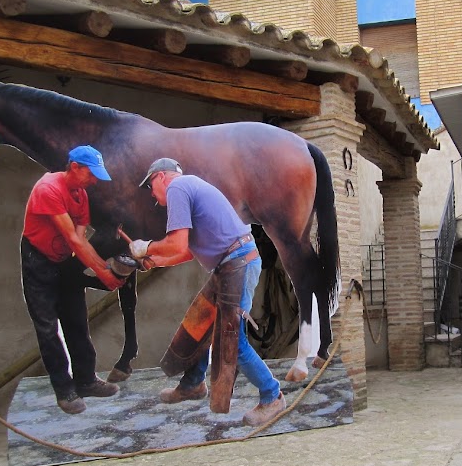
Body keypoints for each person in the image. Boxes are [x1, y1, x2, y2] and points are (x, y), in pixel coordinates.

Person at [131, 158, 285, 426]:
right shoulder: (192, 188)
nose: (153, 195)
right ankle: (192, 384)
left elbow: (176, 245)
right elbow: (184, 252)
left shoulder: (177, 188)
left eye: (150, 185)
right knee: (200, 323)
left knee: (232, 341)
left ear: (162, 177)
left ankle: (272, 396)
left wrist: (147, 247)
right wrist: (153, 260)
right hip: (232, 262)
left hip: (237, 263)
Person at [21, 145, 124, 414]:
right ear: (75, 167)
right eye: (91, 175)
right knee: (47, 328)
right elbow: (75, 239)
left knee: (77, 321)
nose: (94, 181)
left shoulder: (80, 195)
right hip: (38, 261)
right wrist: (103, 272)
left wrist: (104, 269)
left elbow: (80, 237)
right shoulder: (48, 189)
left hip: (64, 261)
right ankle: (64, 390)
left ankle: (87, 381)